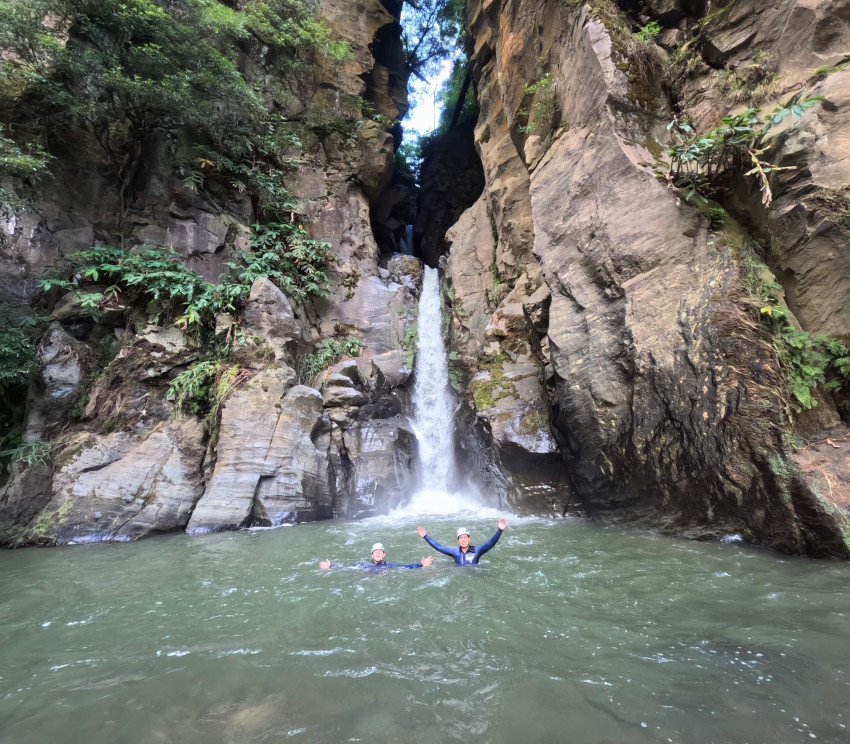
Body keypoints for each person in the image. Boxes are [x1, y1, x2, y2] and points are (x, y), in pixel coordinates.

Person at [416, 519, 507, 565]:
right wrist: (426, 537)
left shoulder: (477, 550)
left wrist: (500, 530)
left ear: (469, 539)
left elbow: (490, 544)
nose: (463, 540)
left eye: (465, 537)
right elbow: (439, 547)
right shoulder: (455, 552)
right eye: (461, 538)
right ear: (458, 541)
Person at [318, 543, 434, 571]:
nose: (378, 553)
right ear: (372, 555)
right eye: (375, 551)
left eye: (380, 551)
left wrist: (420, 564)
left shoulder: (389, 565)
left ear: (384, 555)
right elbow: (347, 567)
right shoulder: (364, 565)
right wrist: (331, 566)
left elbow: (405, 567)